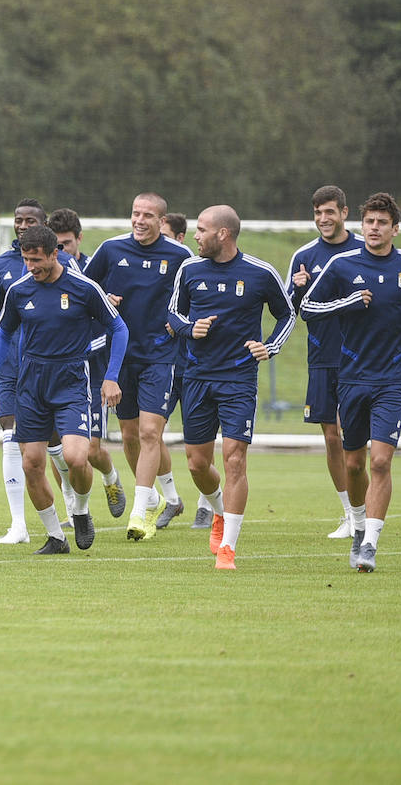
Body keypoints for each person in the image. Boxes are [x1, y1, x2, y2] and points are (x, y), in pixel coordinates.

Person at [0, 225, 128, 554]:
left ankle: (79, 512)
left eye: (37, 260)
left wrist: (111, 376)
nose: (31, 266)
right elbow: (4, 333)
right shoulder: (19, 290)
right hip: (31, 384)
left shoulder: (83, 288)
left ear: (54, 254)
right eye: (26, 259)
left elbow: (118, 327)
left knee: (78, 458)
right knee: (31, 464)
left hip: (72, 381)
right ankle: (55, 537)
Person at [301, 192, 401, 573]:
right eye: (369, 222)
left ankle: (370, 543)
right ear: (362, 225)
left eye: (382, 222)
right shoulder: (342, 265)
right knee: (353, 463)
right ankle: (357, 526)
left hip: (392, 378)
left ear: (395, 229)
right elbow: (307, 306)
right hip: (351, 376)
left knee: (381, 461)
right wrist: (348, 302)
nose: (374, 228)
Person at [168, 205, 294, 570]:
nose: (195, 235)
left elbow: (286, 314)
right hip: (196, 377)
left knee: (235, 459)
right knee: (196, 464)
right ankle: (218, 509)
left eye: (202, 229)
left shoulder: (259, 273)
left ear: (223, 234)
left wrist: (269, 347)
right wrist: (191, 328)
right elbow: (172, 313)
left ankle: (228, 548)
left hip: (239, 379)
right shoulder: (189, 269)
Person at [84, 193, 193, 541]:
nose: (140, 220)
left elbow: (197, 296)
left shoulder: (180, 257)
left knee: (150, 432)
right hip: (120, 357)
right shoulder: (111, 250)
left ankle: (139, 513)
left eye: (148, 215)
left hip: (161, 357)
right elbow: (83, 290)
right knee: (130, 435)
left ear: (162, 222)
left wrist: (181, 322)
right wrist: (104, 297)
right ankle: (163, 499)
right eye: (135, 213)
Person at [285, 186, 365, 539]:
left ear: (344, 213)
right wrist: (299, 288)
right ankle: (349, 514)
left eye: (329, 212)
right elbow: (290, 307)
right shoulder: (304, 255)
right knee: (332, 437)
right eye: (317, 213)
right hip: (322, 357)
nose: (323, 219)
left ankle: (365, 512)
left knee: (358, 440)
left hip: (362, 358)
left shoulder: (365, 248)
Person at [0, 198, 51, 545]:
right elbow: (0, 310)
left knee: (55, 448)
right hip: (10, 364)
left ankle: (74, 505)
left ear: (43, 223)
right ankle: (18, 525)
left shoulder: (62, 263)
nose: (22, 226)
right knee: (10, 435)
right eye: (18, 220)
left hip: (50, 367)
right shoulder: (3, 264)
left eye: (30, 221)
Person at [46, 208, 125, 519]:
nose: (62, 250)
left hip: (90, 372)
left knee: (90, 450)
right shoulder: (46, 274)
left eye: (66, 244)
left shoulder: (95, 272)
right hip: (54, 374)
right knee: (59, 451)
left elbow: (115, 326)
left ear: (79, 239)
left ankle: (110, 478)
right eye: (57, 245)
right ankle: (74, 509)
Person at [160, 212, 213, 528]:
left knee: (203, 442)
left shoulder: (196, 272)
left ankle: (207, 503)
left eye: (166, 235)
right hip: (163, 365)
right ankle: (171, 498)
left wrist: (183, 325)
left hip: (195, 368)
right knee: (150, 433)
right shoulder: (157, 270)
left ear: (180, 239)